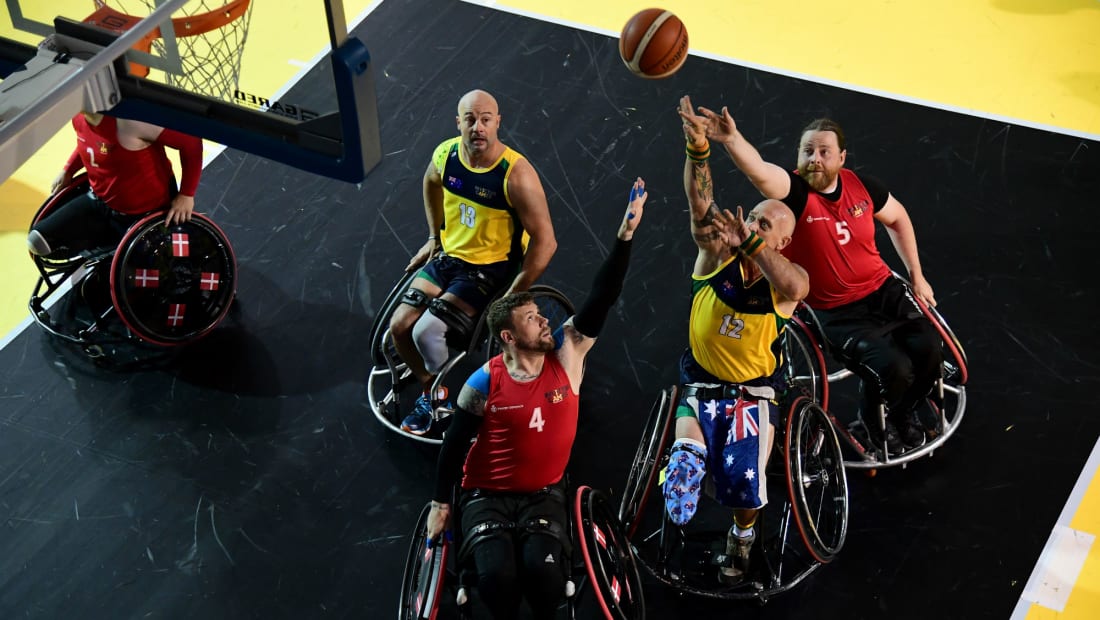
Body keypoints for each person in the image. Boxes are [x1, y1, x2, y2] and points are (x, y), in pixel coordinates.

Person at [423, 178, 645, 620]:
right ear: (508, 337)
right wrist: (441, 504)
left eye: (541, 315)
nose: (545, 321)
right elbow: (453, 445)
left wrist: (624, 238)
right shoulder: (484, 382)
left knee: (544, 580)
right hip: (486, 494)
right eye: (532, 319)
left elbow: (603, 297)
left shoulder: (568, 352)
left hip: (545, 493)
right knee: (496, 581)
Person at [681, 96, 943, 452]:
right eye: (807, 151)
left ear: (841, 158)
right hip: (839, 311)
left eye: (823, 151)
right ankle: (874, 420)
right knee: (893, 366)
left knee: (930, 349)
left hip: (883, 290)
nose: (814, 159)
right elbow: (759, 169)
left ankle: (902, 411)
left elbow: (898, 218)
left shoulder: (863, 187)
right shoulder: (795, 192)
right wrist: (731, 140)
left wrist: (917, 273)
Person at [661, 98, 809, 584]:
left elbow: (794, 287)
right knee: (686, 462)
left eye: (765, 226)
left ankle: (742, 537)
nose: (751, 226)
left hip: (752, 396)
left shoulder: (787, 280)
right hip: (701, 386)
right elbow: (699, 205)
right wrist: (698, 148)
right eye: (753, 219)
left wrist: (750, 243)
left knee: (744, 489)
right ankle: (683, 472)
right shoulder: (714, 257)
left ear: (781, 242)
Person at [391, 89, 557, 436]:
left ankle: (436, 393)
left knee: (426, 330)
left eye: (485, 119)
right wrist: (434, 237)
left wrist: (514, 292)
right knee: (400, 326)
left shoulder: (515, 175)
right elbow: (430, 183)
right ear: (459, 123)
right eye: (470, 119)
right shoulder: (446, 155)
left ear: (497, 122)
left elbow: (546, 242)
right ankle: (431, 389)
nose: (478, 127)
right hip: (450, 258)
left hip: (491, 268)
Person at [27, 111, 202, 257]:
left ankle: (111, 247)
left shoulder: (132, 121)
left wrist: (187, 194)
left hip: (145, 213)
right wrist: (68, 170)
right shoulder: (79, 117)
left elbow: (191, 143)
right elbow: (89, 143)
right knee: (37, 241)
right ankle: (109, 245)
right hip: (100, 201)